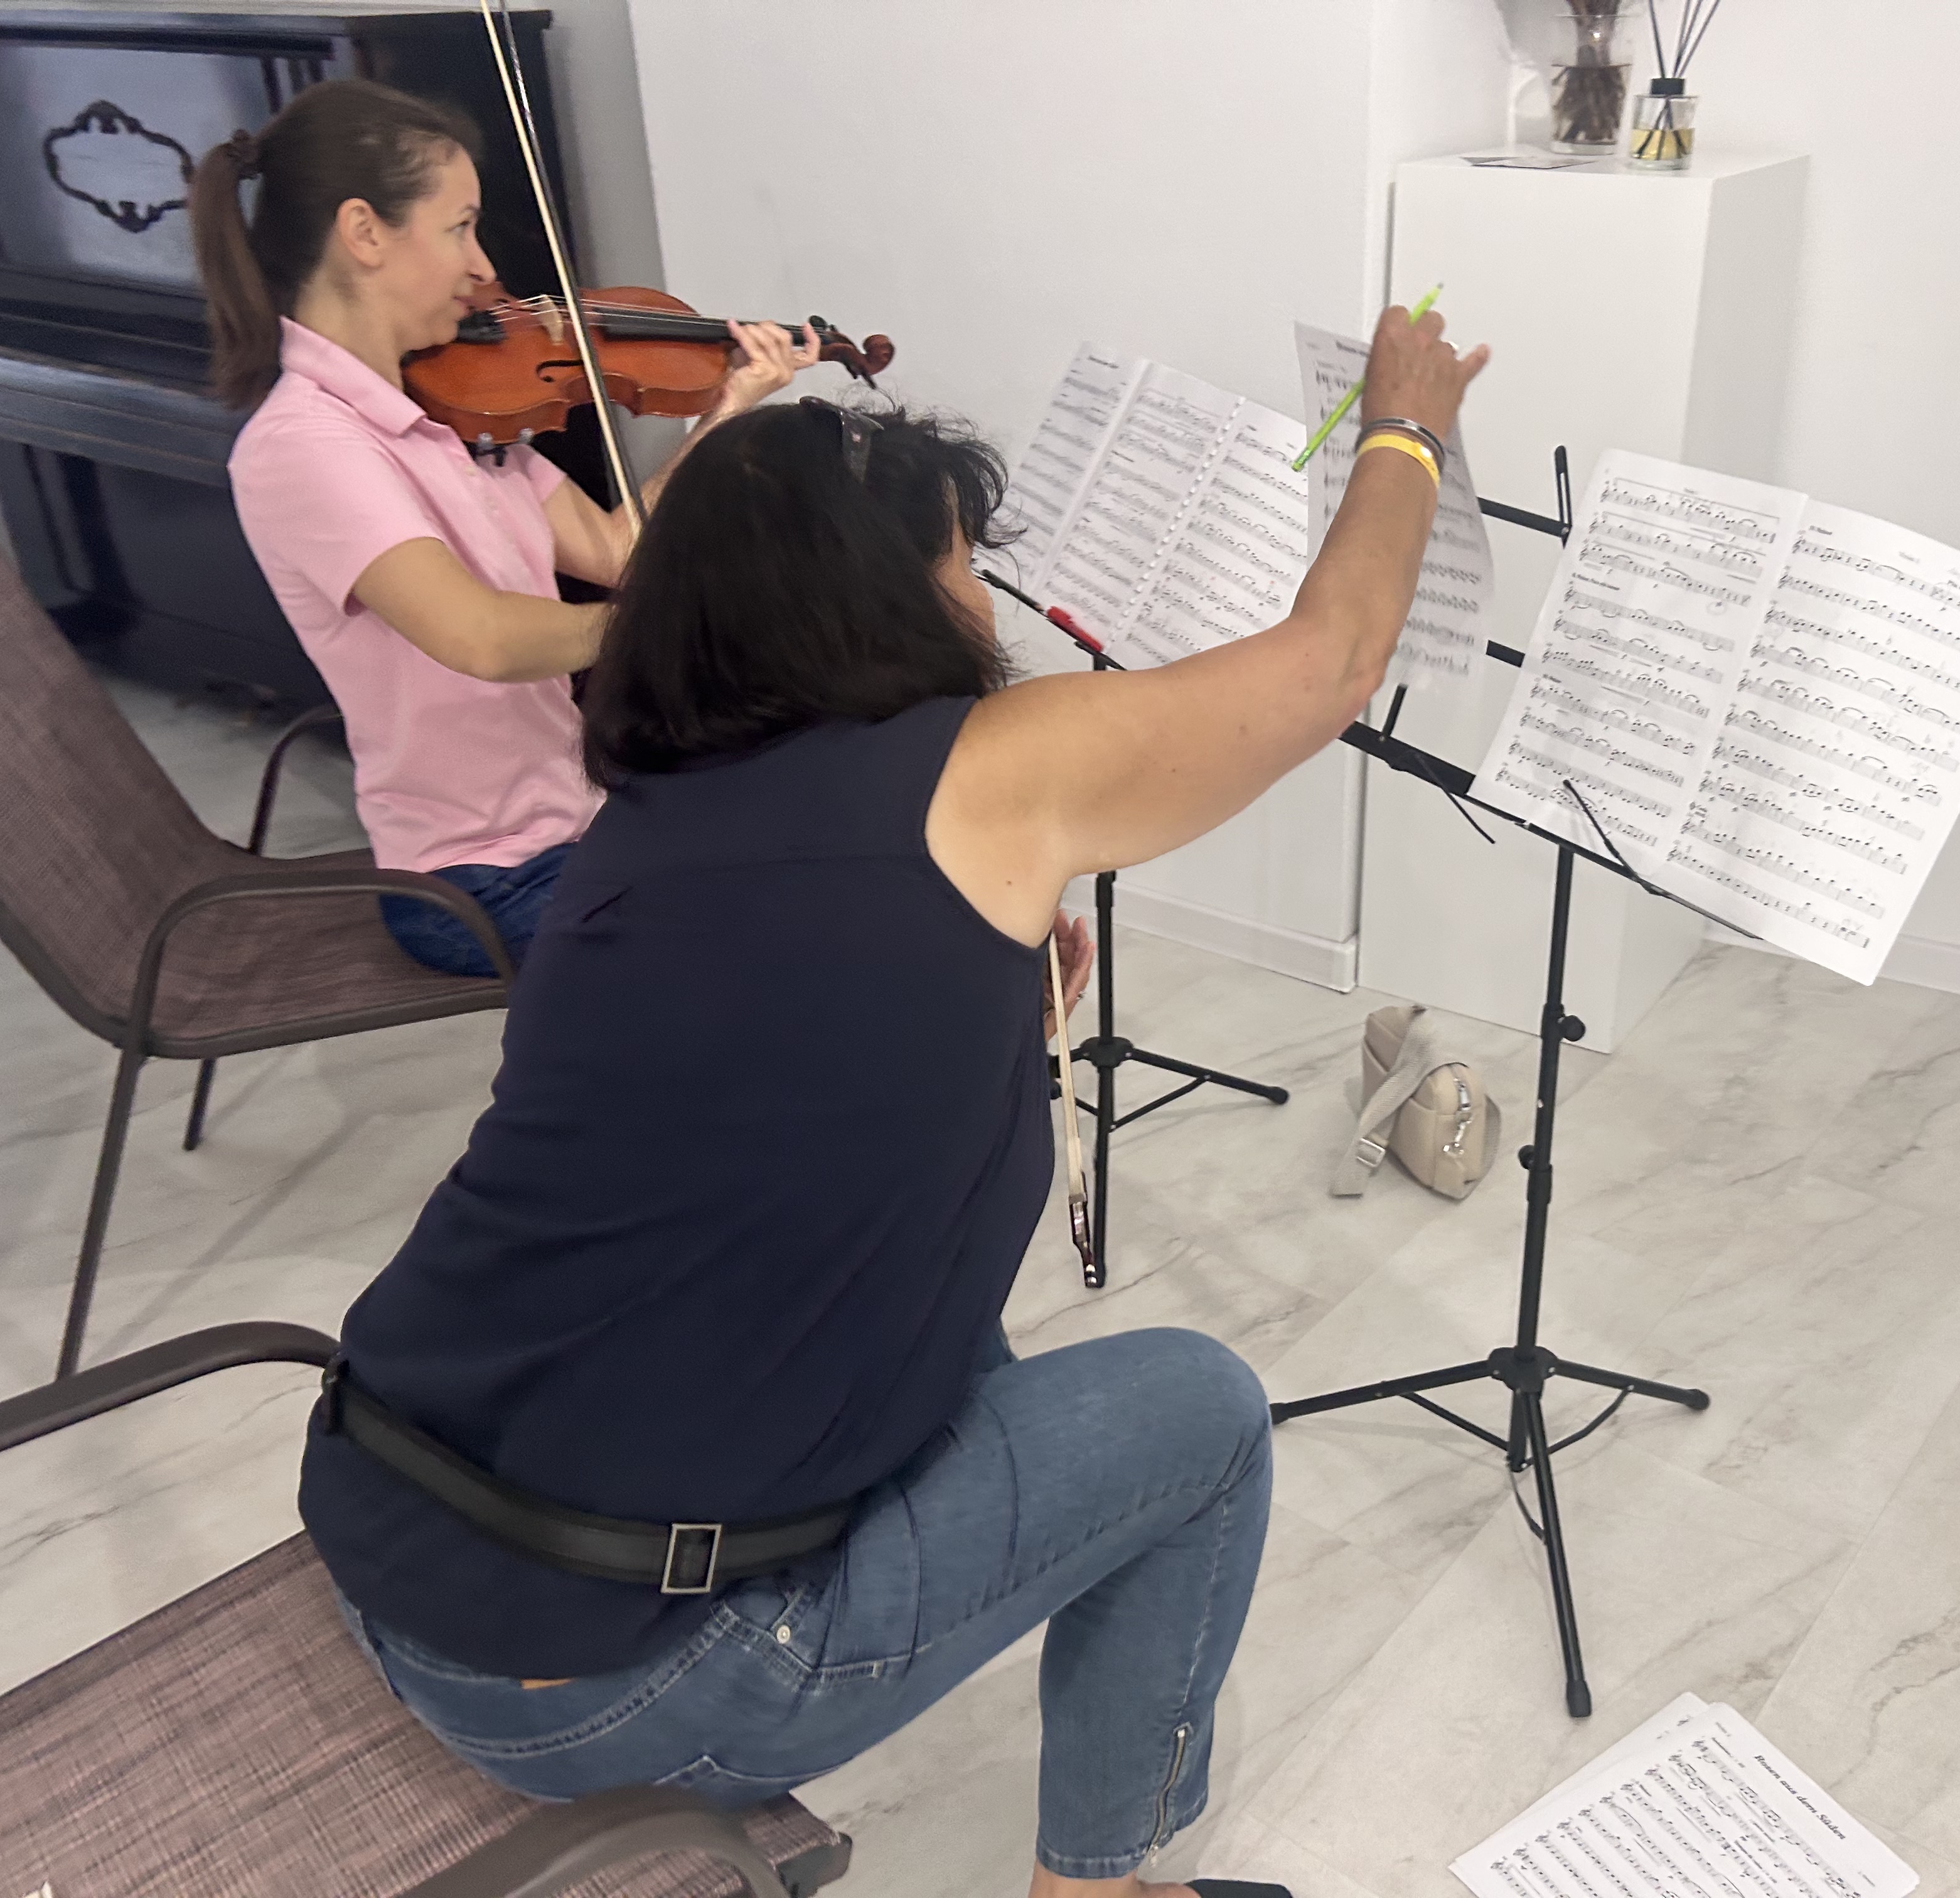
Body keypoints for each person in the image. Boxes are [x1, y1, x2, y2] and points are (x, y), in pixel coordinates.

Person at [299, 304, 1488, 1898]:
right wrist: (1403, 424)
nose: (981, 601)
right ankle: (1097, 1886)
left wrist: (979, 1013)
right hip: (615, 1682)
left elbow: (811, 1124)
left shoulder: (643, 823)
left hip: (390, 1529)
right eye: (961, 563)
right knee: (1198, 1414)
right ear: (874, 598)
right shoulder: (980, 771)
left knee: (950, 1325)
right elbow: (1329, 663)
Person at [189, 78, 819, 976]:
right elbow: (480, 638)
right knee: (794, 931)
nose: (483, 267)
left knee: (834, 839)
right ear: (364, 232)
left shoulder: (451, 410)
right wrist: (679, 626)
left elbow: (615, 552)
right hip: (482, 881)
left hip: (584, 821)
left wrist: (726, 409)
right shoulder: (306, 446)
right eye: (460, 228)